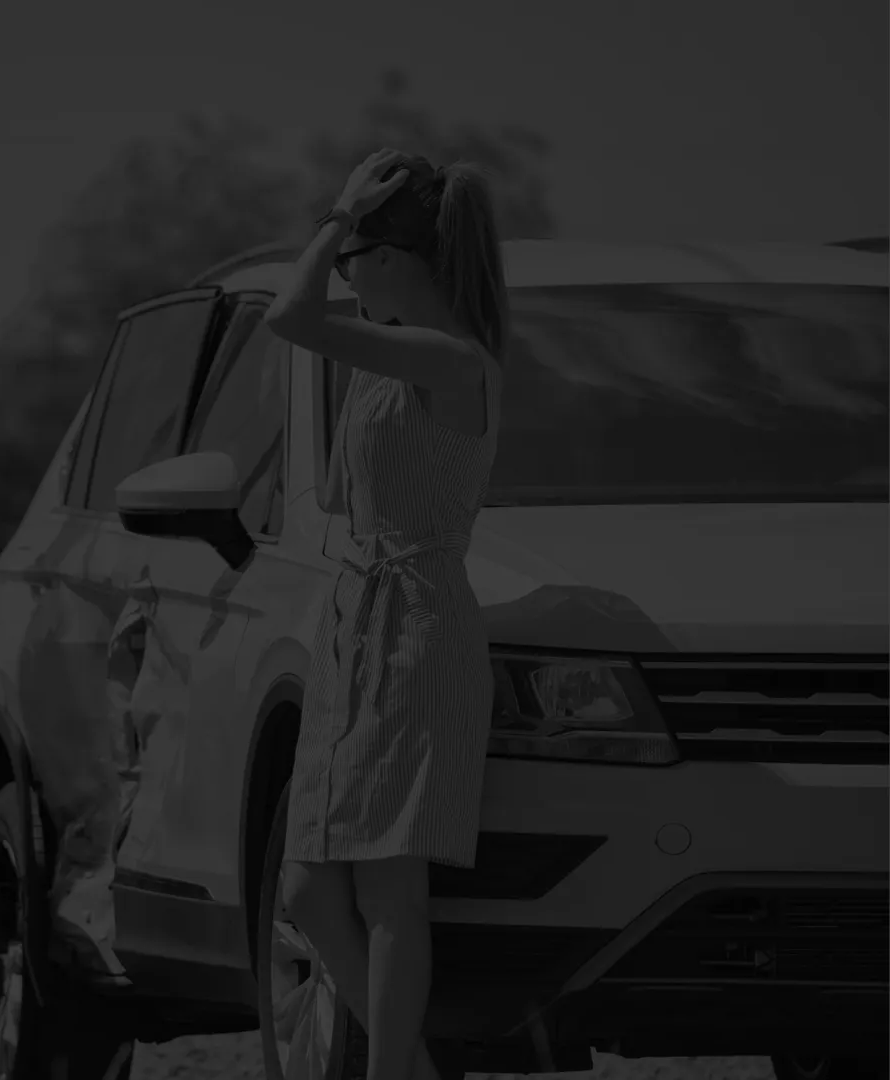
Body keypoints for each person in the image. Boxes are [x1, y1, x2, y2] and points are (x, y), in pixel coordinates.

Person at [263, 148, 510, 1080]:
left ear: (392, 256)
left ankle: (388, 1072)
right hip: (353, 627)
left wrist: (332, 215)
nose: (341, 275)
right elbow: (342, 495)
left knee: (390, 893)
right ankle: (411, 1069)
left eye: (351, 255)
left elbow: (290, 317)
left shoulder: (449, 357)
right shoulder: (386, 359)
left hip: (417, 632)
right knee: (309, 890)